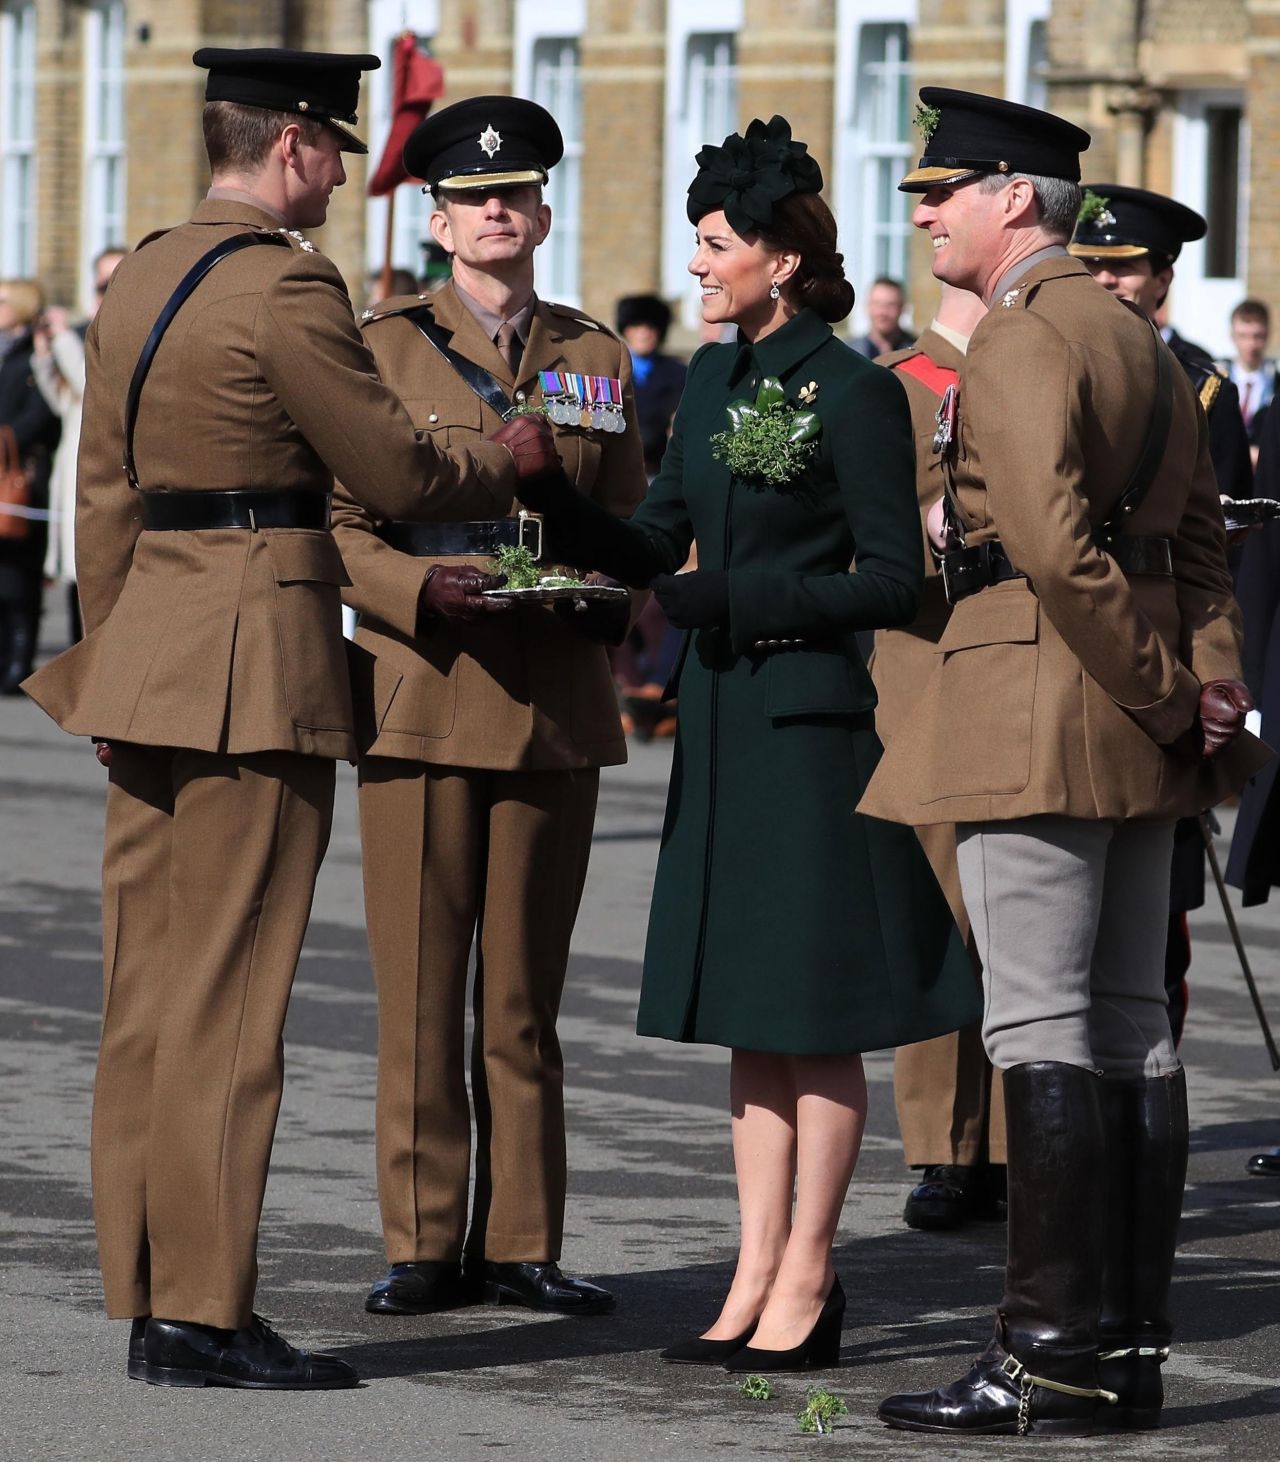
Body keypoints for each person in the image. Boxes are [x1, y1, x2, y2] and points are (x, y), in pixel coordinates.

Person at [21, 48, 555, 1391]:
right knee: (232, 995)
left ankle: (150, 1289)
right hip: (254, 653)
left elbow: (101, 490)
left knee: (147, 990)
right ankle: (205, 1307)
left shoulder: (140, 265)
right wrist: (506, 456)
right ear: (301, 147)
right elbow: (384, 460)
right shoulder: (284, 280)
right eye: (335, 146)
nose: (335, 169)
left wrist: (105, 652)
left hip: (149, 646)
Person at [514, 114, 980, 1373]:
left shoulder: (860, 391)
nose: (698, 262)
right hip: (721, 729)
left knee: (813, 1016)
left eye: (713, 244)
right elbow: (657, 538)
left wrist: (747, 597)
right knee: (749, 1022)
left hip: (813, 726)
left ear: (779, 259)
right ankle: (751, 1269)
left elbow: (891, 581)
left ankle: (811, 1275)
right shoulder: (716, 381)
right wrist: (553, 498)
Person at [860, 88, 1264, 1436]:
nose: (924, 214)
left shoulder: (1030, 337)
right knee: (1133, 1032)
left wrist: (1166, 696)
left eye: (944, 194)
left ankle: (1041, 1353)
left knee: (1040, 1027)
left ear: (1015, 199)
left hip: (1045, 706)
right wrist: (1207, 687)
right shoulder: (1140, 338)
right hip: (1134, 717)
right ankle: (1124, 1344)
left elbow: (1044, 541)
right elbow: (1202, 547)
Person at [330, 95, 647, 1321]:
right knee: (420, 987)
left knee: (524, 995)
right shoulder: (376, 346)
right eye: (470, 198)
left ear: (543, 212)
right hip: (422, 690)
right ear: (437, 217)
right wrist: (420, 585)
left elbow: (623, 517)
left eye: (512, 195)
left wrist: (605, 586)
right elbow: (338, 525)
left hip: (552, 697)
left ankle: (521, 1237)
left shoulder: (591, 358)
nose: (493, 213)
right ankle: (423, 1238)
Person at [1070, 183, 1254, 1045]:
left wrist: (1211, 678)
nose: (1107, 283)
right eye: (1094, 266)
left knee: (1152, 936)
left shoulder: (1201, 389)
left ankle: (1146, 1121)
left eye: (1126, 268)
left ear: (1163, 278)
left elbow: (1212, 551)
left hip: (1159, 666)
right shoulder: (1049, 354)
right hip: (1065, 652)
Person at [872, 283, 1008, 1233]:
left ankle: (1024, 1136)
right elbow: (868, 542)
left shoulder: (1047, 363)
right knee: (943, 909)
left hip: (1034, 662)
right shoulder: (898, 387)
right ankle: (948, 1144)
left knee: (1028, 915)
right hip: (929, 661)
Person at [31, 247, 127, 645]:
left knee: (102, 576)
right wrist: (43, 357)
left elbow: (94, 391)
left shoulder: (125, 334)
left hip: (110, 473)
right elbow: (67, 407)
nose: (105, 293)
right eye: (100, 284)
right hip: (73, 464)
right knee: (78, 580)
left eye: (113, 283)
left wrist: (67, 343)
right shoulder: (87, 332)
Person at [0, 278, 61, 692]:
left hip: (24, 478)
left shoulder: (35, 355)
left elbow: (41, 415)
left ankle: (20, 662)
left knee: (19, 578)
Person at [615, 294, 688, 477]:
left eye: (650, 327)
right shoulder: (610, 370)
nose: (643, 333)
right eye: (637, 326)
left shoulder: (679, 373)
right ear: (626, 330)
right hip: (618, 466)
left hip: (661, 467)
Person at [1219, 298, 1277, 461]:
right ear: (1232, 336)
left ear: (1267, 335)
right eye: (1243, 336)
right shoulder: (1216, 383)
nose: (1250, 344)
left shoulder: (1276, 385)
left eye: (1257, 336)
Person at [850, 276, 916, 358]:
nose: (883, 312)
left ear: (902, 308)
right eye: (877, 304)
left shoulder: (917, 351)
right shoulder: (849, 352)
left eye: (891, 305)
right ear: (867, 307)